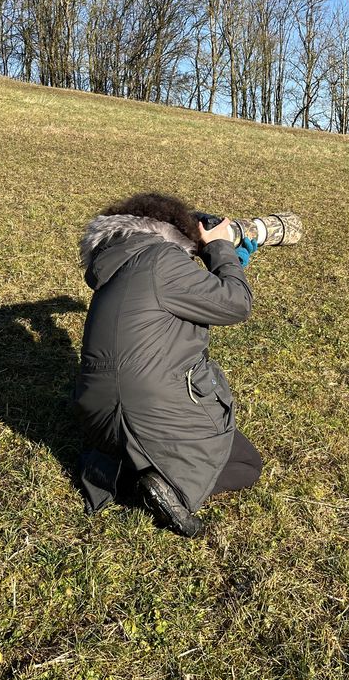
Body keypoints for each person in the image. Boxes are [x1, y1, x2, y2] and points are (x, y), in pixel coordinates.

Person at [74, 192, 263, 537]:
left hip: (97, 415)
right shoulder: (163, 259)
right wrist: (220, 250)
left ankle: (120, 471)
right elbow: (236, 304)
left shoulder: (120, 263)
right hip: (150, 406)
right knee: (246, 463)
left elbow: (189, 296)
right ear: (176, 231)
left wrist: (225, 264)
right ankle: (158, 485)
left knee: (151, 443)